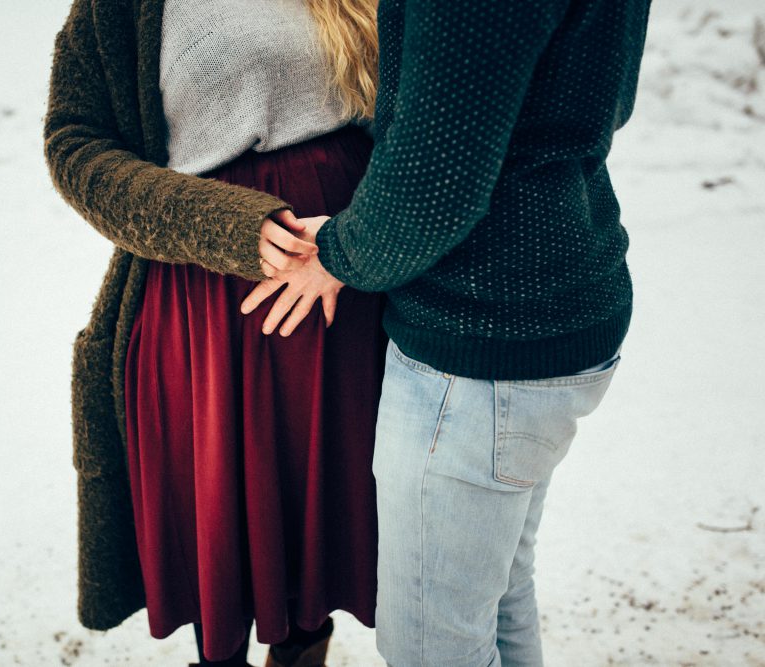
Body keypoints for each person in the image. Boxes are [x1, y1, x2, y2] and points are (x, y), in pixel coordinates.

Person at [242, 1, 653, 664]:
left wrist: (341, 252)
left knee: (432, 643)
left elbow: (434, 178)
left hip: (482, 345)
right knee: (496, 597)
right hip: (557, 304)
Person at [43, 1, 384, 665]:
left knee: (315, 550)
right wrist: (219, 224)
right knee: (220, 546)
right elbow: (74, 144)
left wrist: (362, 242)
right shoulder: (122, 9)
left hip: (343, 290)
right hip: (207, 302)